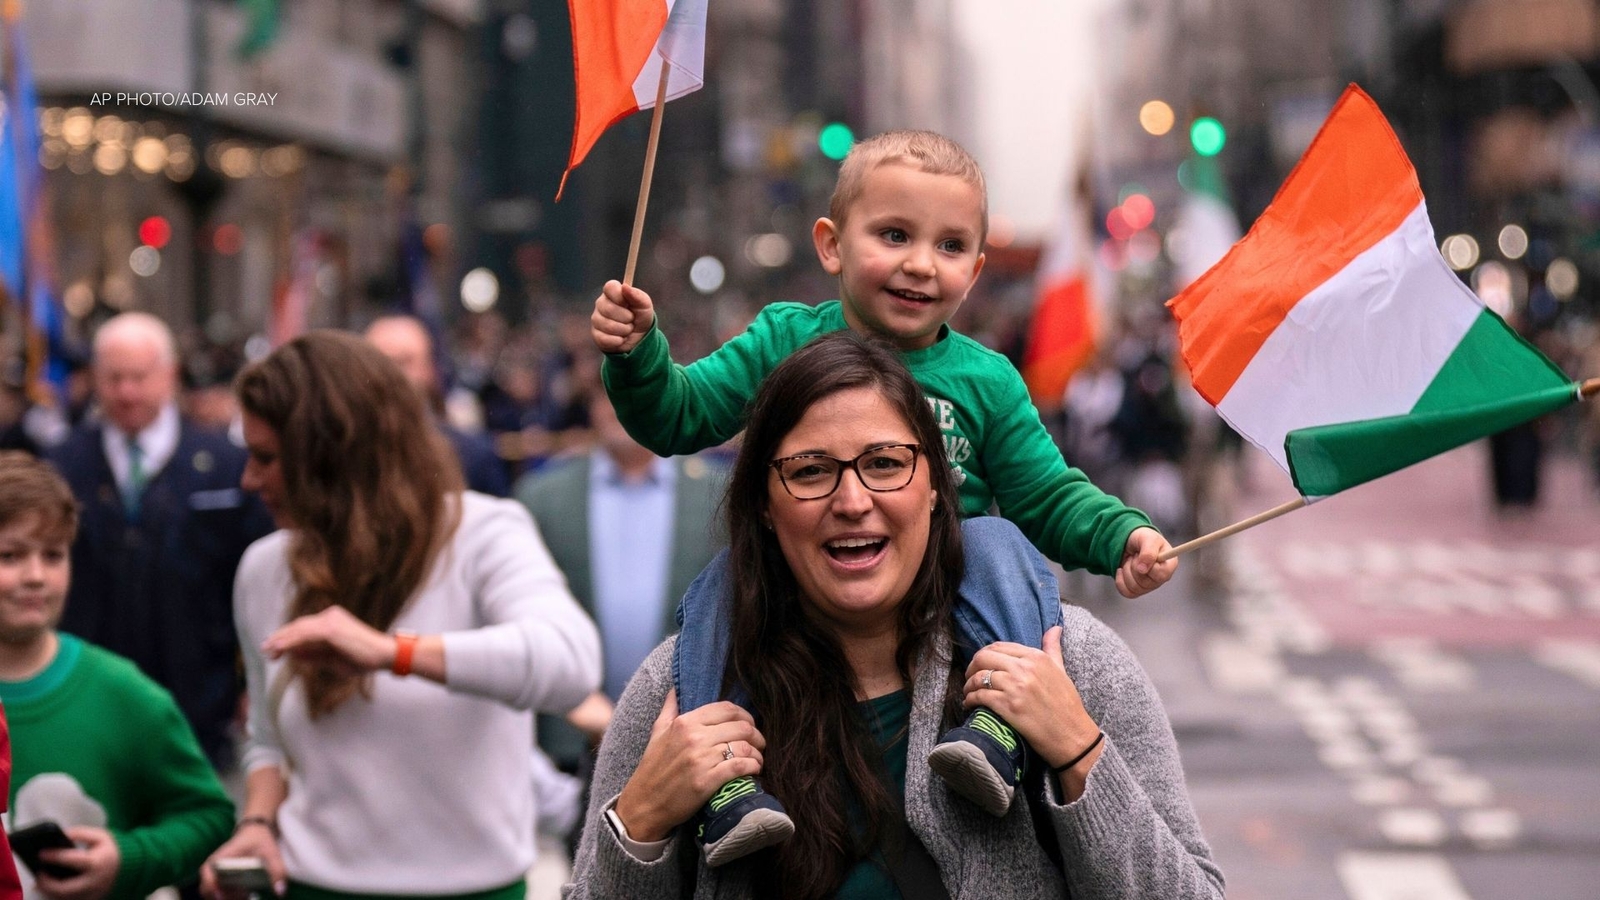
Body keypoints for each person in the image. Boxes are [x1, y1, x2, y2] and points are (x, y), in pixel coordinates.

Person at [591, 130, 1176, 862]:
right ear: (832, 245)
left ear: (977, 268)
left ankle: (994, 731)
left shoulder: (988, 380)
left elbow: (1047, 495)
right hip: (792, 598)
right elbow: (678, 415)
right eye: (894, 235)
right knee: (720, 586)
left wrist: (1121, 535)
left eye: (951, 246)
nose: (920, 265)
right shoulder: (782, 342)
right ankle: (729, 782)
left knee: (998, 542)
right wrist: (638, 355)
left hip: (955, 599)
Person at [566, 333, 1222, 899]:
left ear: (937, 486)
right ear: (764, 504)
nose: (852, 501)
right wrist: (641, 823)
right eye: (811, 470)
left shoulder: (1072, 663)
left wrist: (1081, 755)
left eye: (884, 464)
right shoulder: (681, 691)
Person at [201, 331, 601, 900]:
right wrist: (257, 826)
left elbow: (571, 663)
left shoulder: (482, 534)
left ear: (331, 455)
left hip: (476, 889)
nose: (248, 479)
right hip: (315, 887)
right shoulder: (264, 569)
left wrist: (396, 653)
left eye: (267, 458)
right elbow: (266, 740)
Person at [0, 453, 232, 900]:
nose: (35, 576)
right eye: (9, 556)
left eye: (53, 555)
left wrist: (129, 857)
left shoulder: (123, 693)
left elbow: (209, 814)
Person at [46, 312, 273, 767]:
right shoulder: (61, 465)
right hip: (88, 696)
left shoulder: (226, 466)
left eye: (139, 377)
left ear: (169, 376)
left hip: (198, 701)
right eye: (114, 379)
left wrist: (252, 683)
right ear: (95, 379)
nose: (127, 392)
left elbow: (257, 579)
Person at [364, 315, 510, 497]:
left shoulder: (472, 456)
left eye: (404, 361)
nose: (392, 373)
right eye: (380, 362)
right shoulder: (344, 453)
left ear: (429, 368)